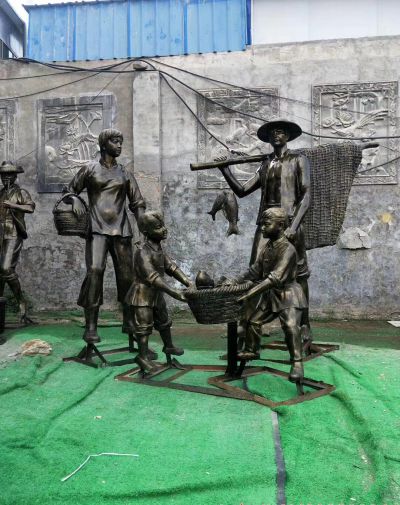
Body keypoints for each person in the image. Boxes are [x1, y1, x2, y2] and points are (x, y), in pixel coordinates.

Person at [218, 119, 312, 345]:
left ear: (287, 136)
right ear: (268, 138)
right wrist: (225, 169)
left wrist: (293, 227)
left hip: (291, 223)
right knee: (255, 271)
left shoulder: (298, 160)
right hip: (266, 225)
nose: (276, 135)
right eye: (272, 133)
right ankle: (248, 327)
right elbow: (242, 191)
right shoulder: (265, 164)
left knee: (300, 274)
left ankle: (304, 324)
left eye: (280, 132)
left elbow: (306, 195)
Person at [66, 128, 146, 343]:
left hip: (121, 230)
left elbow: (137, 203)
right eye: (115, 141)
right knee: (94, 271)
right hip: (96, 229)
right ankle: (91, 326)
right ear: (103, 144)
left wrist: (144, 229)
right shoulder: (89, 169)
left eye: (121, 142)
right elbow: (69, 190)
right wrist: (74, 199)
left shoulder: (124, 173)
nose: (119, 145)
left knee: (127, 277)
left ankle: (129, 321)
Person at [235, 207, 307, 382]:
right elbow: (254, 271)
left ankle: (297, 364)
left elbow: (275, 278)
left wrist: (249, 294)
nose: (262, 228)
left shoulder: (288, 249)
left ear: (280, 225)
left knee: (290, 326)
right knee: (254, 321)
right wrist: (234, 281)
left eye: (266, 224)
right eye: (262, 224)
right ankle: (252, 350)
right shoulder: (267, 248)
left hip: (289, 294)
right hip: (272, 295)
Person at [125, 211, 190, 372]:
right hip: (142, 296)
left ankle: (169, 346)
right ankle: (142, 356)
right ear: (146, 232)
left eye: (163, 225)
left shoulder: (158, 249)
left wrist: (188, 282)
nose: (164, 229)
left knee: (164, 321)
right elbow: (152, 277)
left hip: (156, 295)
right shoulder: (142, 251)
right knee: (144, 327)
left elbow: (171, 267)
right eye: (158, 227)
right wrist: (173, 292)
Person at [0, 161, 35, 329]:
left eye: (9, 174)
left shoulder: (21, 192)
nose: (6, 177)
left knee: (6, 269)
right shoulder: (0, 193)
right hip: (0, 234)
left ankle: (21, 302)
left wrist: (12, 205)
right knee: (0, 273)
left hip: (13, 233)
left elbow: (30, 208)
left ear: (15, 176)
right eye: (3, 175)